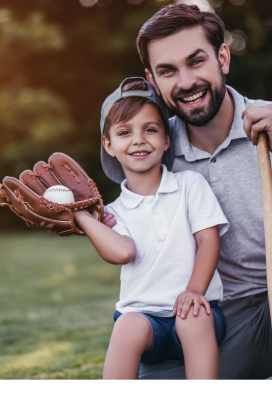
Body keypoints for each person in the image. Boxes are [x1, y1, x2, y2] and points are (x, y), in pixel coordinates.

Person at [103, 4, 272, 380]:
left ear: (223, 57)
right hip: (218, 319)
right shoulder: (155, 145)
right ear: (153, 81)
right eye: (168, 71)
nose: (186, 81)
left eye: (196, 61)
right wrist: (77, 213)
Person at [75, 77, 229, 380]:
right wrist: (82, 216)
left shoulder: (189, 185)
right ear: (108, 144)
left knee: (193, 317)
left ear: (166, 139)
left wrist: (194, 291)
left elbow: (208, 242)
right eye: (124, 132)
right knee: (127, 325)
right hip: (146, 322)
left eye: (150, 129)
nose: (138, 140)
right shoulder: (112, 213)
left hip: (198, 308)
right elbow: (123, 252)